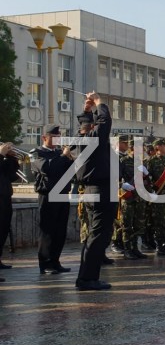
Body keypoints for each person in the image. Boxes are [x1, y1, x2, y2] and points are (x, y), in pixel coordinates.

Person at [75, 92, 116, 291]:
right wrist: (100, 103)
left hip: (94, 190)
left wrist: (86, 110)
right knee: (98, 236)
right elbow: (104, 123)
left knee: (95, 235)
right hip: (100, 190)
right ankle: (87, 279)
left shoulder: (79, 141)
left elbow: (95, 124)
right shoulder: (92, 141)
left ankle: (86, 276)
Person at [31, 124, 75, 273]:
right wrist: (63, 156)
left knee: (60, 231)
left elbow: (70, 172)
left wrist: (70, 159)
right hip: (48, 195)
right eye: (54, 137)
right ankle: (45, 263)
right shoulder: (37, 153)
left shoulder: (59, 153)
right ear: (44, 137)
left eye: (58, 137)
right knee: (47, 231)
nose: (57, 139)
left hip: (62, 194)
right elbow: (47, 169)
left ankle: (55, 261)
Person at [117, 136, 149, 259]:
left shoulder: (141, 162)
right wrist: (122, 185)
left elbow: (147, 182)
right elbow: (116, 178)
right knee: (127, 223)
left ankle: (135, 248)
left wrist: (147, 176)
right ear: (132, 148)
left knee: (138, 224)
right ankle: (127, 249)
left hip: (139, 197)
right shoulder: (123, 161)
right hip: (128, 197)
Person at [0, 141, 20, 277]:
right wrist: (1, 154)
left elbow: (12, 175)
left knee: (3, 229)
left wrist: (12, 157)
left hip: (5, 197)